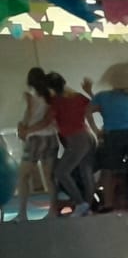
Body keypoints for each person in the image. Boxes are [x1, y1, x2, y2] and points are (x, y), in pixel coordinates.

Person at [85, 63, 128, 212]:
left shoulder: (104, 96)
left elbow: (90, 111)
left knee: (110, 170)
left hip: (115, 134)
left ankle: (110, 204)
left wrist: (96, 130)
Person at [43, 73, 96, 218]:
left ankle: (81, 203)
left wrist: (27, 129)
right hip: (88, 136)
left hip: (76, 139)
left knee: (61, 172)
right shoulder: (78, 97)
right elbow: (96, 107)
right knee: (86, 173)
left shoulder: (56, 101)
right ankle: (87, 206)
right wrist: (90, 91)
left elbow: (46, 121)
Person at [13, 68, 60, 221]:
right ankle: (53, 211)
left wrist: (24, 129)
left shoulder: (29, 96)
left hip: (34, 139)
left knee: (23, 175)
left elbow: (28, 114)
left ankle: (22, 213)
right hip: (51, 138)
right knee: (49, 177)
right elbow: (48, 120)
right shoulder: (51, 96)